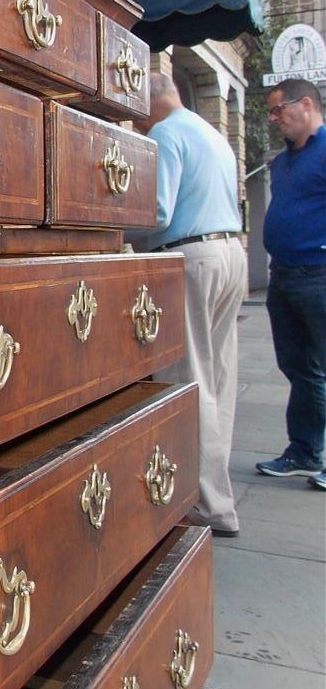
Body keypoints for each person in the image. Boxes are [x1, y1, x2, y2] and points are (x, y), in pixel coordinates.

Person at [137, 73, 249, 535]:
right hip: (232, 254)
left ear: (150, 103)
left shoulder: (165, 133)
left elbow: (159, 212)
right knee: (219, 378)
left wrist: (110, 230)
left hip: (191, 256)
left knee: (189, 379)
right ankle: (217, 499)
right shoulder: (212, 134)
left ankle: (201, 500)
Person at [256, 78, 326, 490]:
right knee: (299, 368)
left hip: (318, 274)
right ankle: (303, 452)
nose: (274, 118)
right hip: (283, 276)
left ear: (305, 104)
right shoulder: (282, 162)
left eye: (278, 109)